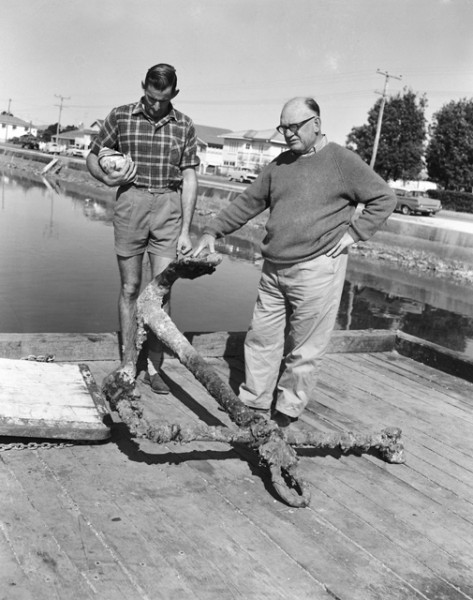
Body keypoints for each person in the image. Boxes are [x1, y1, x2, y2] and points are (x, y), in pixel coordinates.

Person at [193, 96, 396, 427]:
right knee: (261, 339)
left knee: (304, 350)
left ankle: (286, 415)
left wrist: (354, 235)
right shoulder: (280, 164)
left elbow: (384, 198)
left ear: (316, 124)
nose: (287, 133)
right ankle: (254, 405)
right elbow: (248, 202)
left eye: (294, 126)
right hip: (274, 268)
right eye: (283, 127)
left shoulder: (342, 161)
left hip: (317, 269)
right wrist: (213, 231)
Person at [87, 63, 199, 394]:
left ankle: (154, 366)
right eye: (150, 98)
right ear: (144, 88)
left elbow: (190, 177)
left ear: (174, 95)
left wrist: (186, 231)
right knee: (130, 287)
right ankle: (127, 364)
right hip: (130, 204)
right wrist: (106, 177)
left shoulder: (185, 126)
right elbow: (92, 156)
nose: (154, 105)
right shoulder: (120, 116)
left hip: (168, 205)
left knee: (161, 292)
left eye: (162, 100)